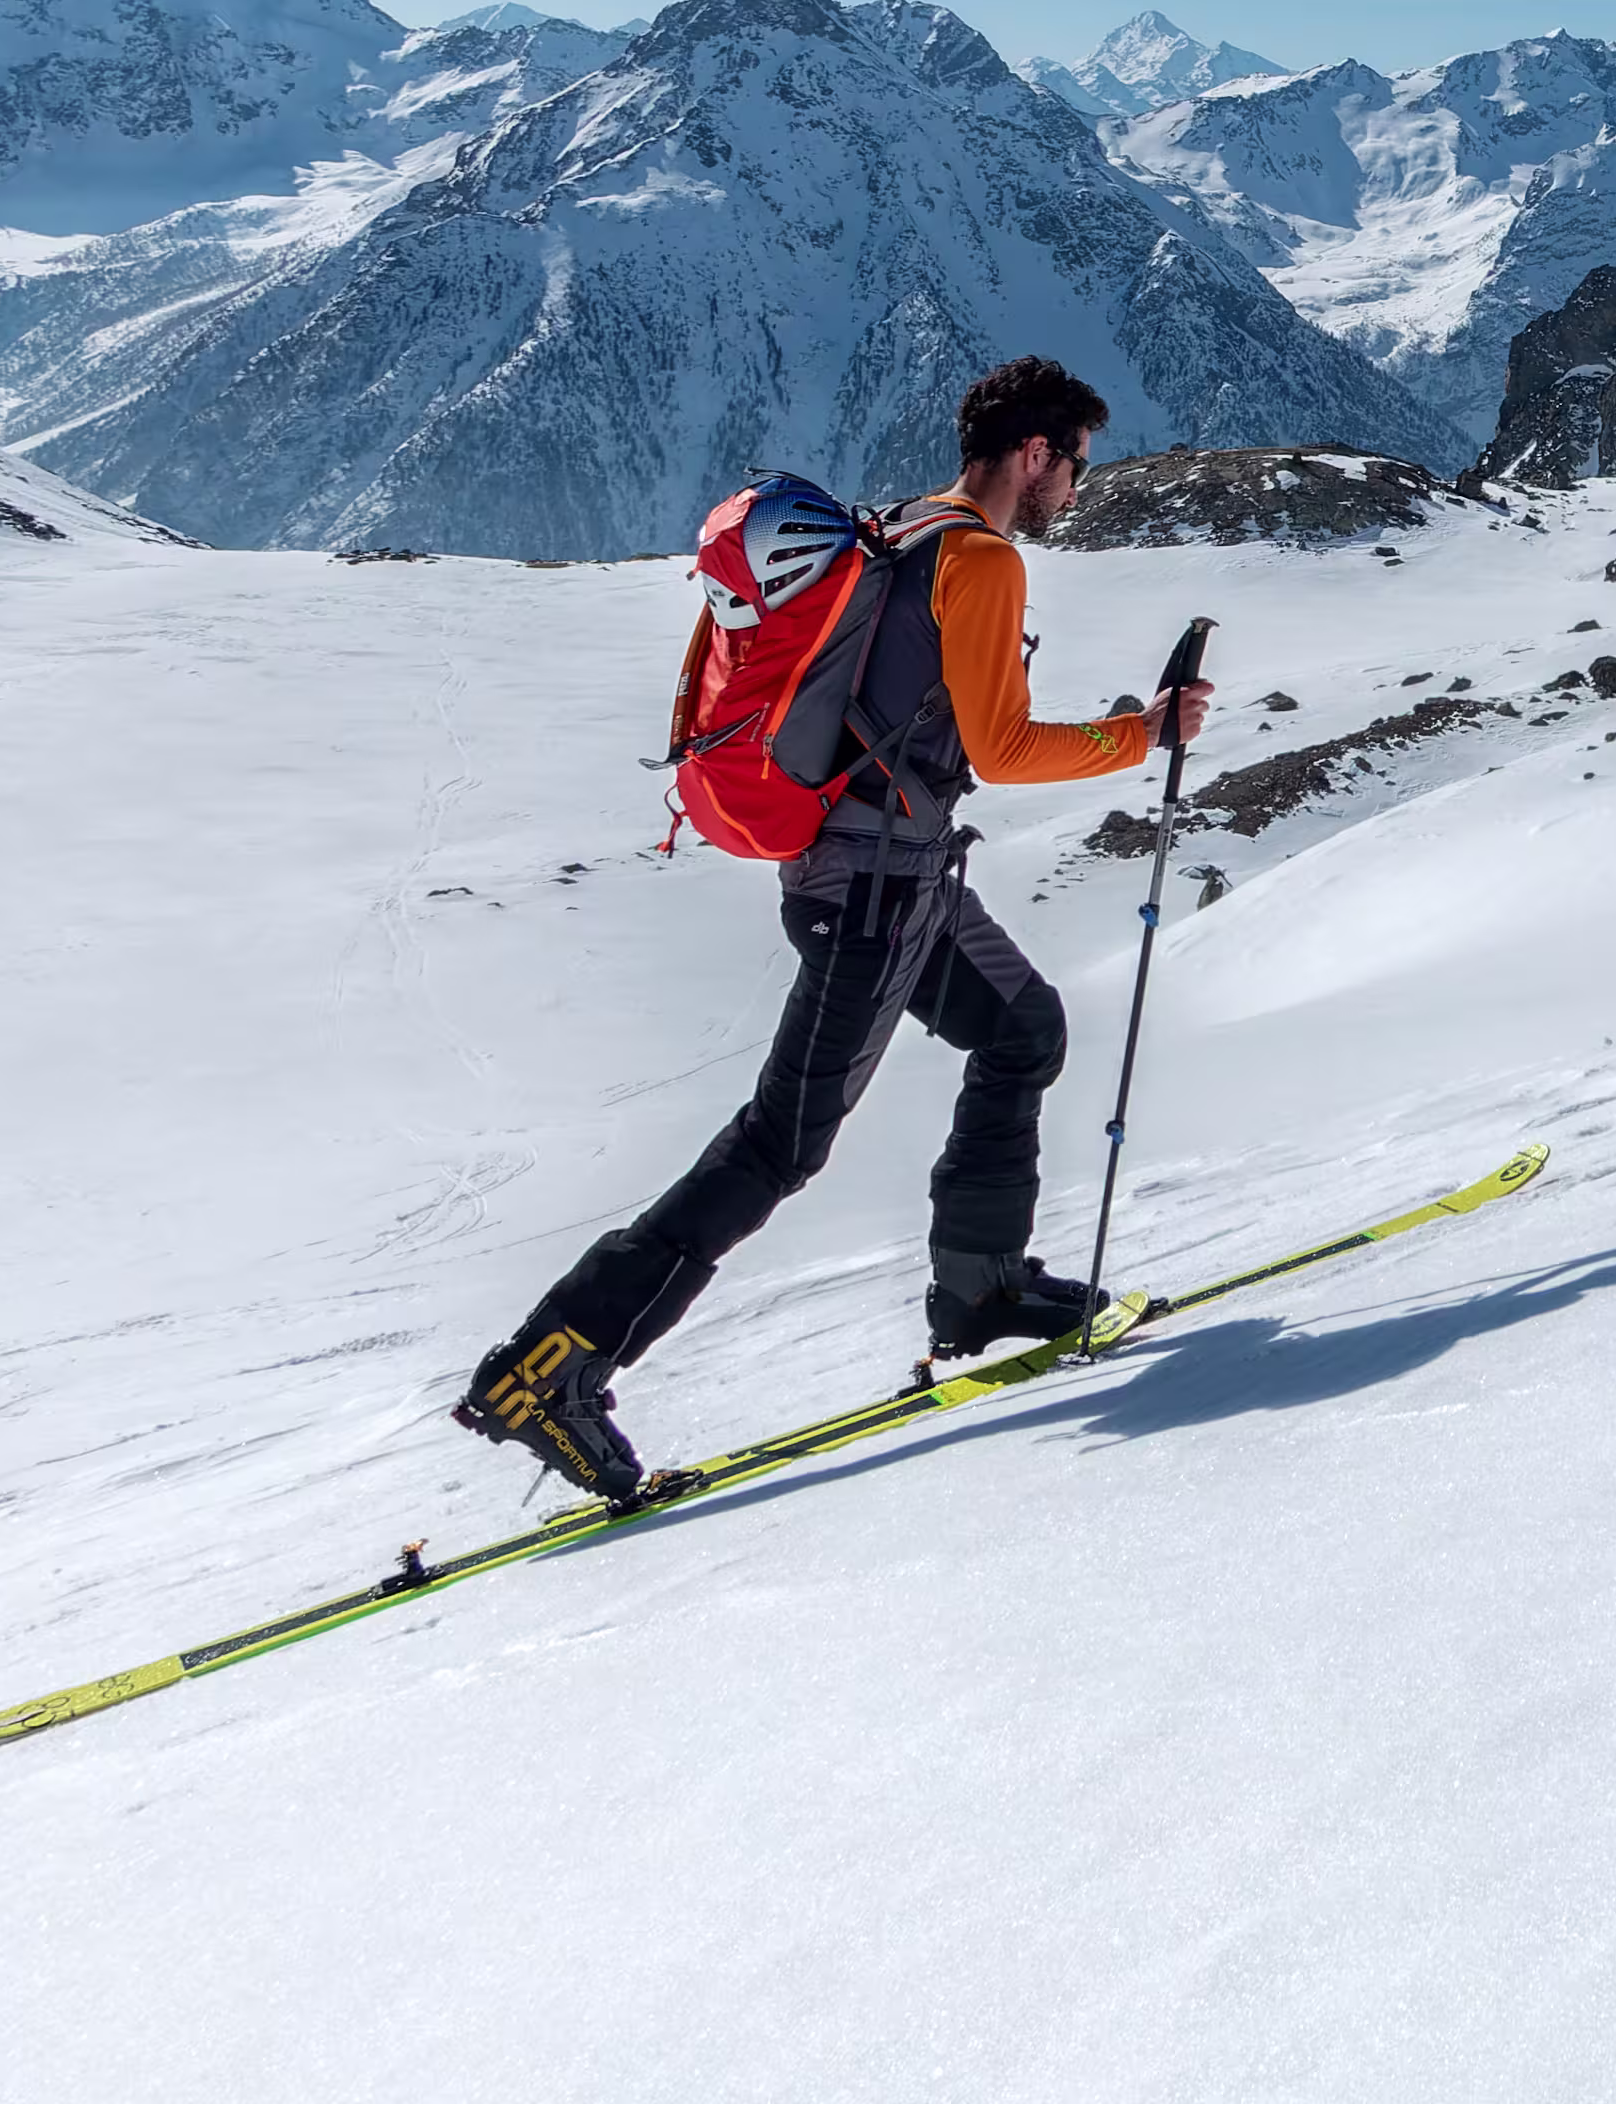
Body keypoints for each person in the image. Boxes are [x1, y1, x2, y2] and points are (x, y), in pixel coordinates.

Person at [457, 354, 1215, 1502]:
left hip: (881, 873)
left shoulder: (908, 528)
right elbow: (1002, 751)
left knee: (1025, 1029)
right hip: (875, 894)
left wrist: (1118, 729)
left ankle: (982, 1288)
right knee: (779, 1145)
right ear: (1034, 454)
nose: (1076, 490)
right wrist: (1141, 736)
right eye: (1074, 466)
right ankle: (547, 1370)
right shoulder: (983, 559)